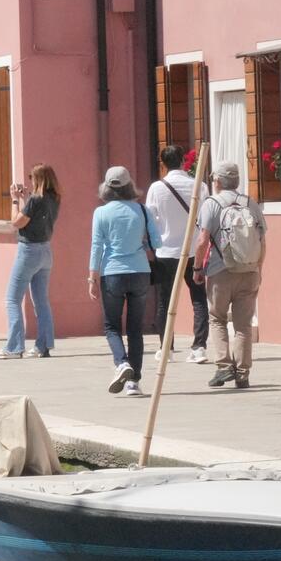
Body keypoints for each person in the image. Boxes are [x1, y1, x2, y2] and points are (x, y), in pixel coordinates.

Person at [88, 165, 160, 395]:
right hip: (140, 271)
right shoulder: (142, 210)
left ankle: (122, 363)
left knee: (111, 325)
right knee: (135, 328)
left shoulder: (101, 213)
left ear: (106, 188)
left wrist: (92, 277)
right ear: (130, 185)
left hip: (112, 273)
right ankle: (133, 382)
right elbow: (157, 243)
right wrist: (141, 244)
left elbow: (97, 246)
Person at [195, 160, 267, 390]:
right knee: (243, 325)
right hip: (249, 270)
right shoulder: (250, 203)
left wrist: (197, 268)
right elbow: (262, 240)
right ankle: (243, 373)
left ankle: (224, 365)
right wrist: (259, 268)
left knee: (217, 318)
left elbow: (203, 239)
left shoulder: (212, 204)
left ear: (216, 181)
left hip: (220, 270)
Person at [146, 145, 209, 363]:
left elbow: (151, 220)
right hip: (193, 248)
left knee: (164, 301)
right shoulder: (199, 185)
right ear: (183, 160)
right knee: (199, 296)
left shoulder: (156, 188)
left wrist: (154, 245)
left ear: (162, 163)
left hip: (166, 250)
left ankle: (166, 348)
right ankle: (199, 346)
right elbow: (205, 219)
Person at [0, 163, 60, 359]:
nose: (30, 181)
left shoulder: (36, 200)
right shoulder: (54, 198)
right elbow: (34, 218)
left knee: (12, 299)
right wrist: (25, 199)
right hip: (45, 250)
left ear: (38, 179)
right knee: (41, 301)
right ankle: (43, 346)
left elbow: (16, 223)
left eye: (31, 177)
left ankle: (14, 347)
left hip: (29, 251)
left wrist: (15, 200)